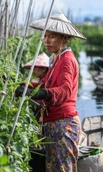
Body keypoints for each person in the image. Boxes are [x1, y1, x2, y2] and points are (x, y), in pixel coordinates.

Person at [15, 12, 86, 172]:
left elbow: (65, 90)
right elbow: (45, 84)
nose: (46, 41)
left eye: (52, 36)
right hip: (55, 123)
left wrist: (42, 94)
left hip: (63, 125)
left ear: (64, 38)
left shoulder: (67, 60)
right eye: (45, 36)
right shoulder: (57, 58)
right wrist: (22, 85)